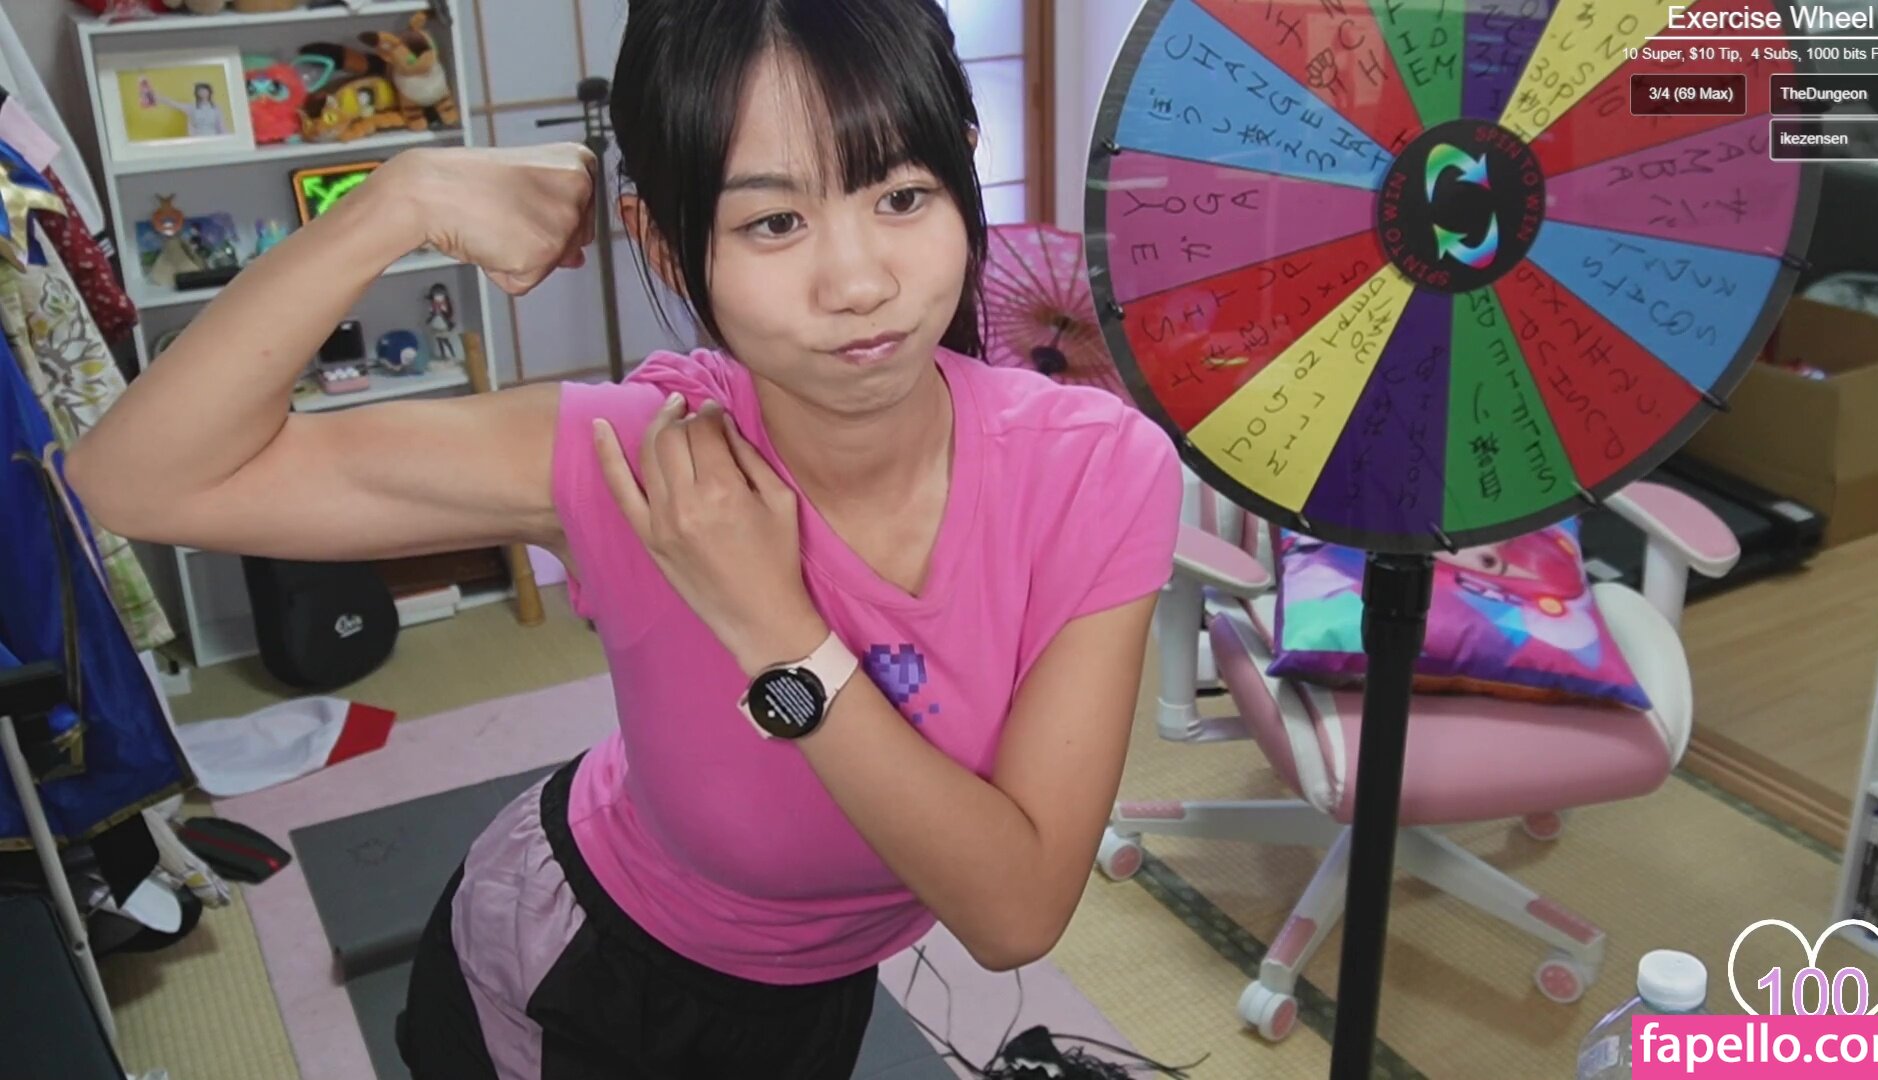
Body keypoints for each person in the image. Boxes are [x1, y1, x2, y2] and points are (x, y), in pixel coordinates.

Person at [67, 1, 1182, 1076]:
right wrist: (395, 201)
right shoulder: (640, 457)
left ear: (962, 170)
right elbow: (136, 483)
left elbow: (1015, 909)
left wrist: (775, 628)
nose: (859, 282)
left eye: (901, 195)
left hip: (822, 990)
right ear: (667, 239)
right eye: (773, 222)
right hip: (585, 975)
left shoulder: (1094, 472)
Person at [139, 78, 227, 138]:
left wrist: (226, 141)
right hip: (197, 141)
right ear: (197, 93)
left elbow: (221, 126)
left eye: (205, 90)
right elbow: (173, 104)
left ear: (209, 92)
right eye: (200, 91)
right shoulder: (192, 107)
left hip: (214, 140)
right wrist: (156, 96)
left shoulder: (216, 108)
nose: (203, 93)